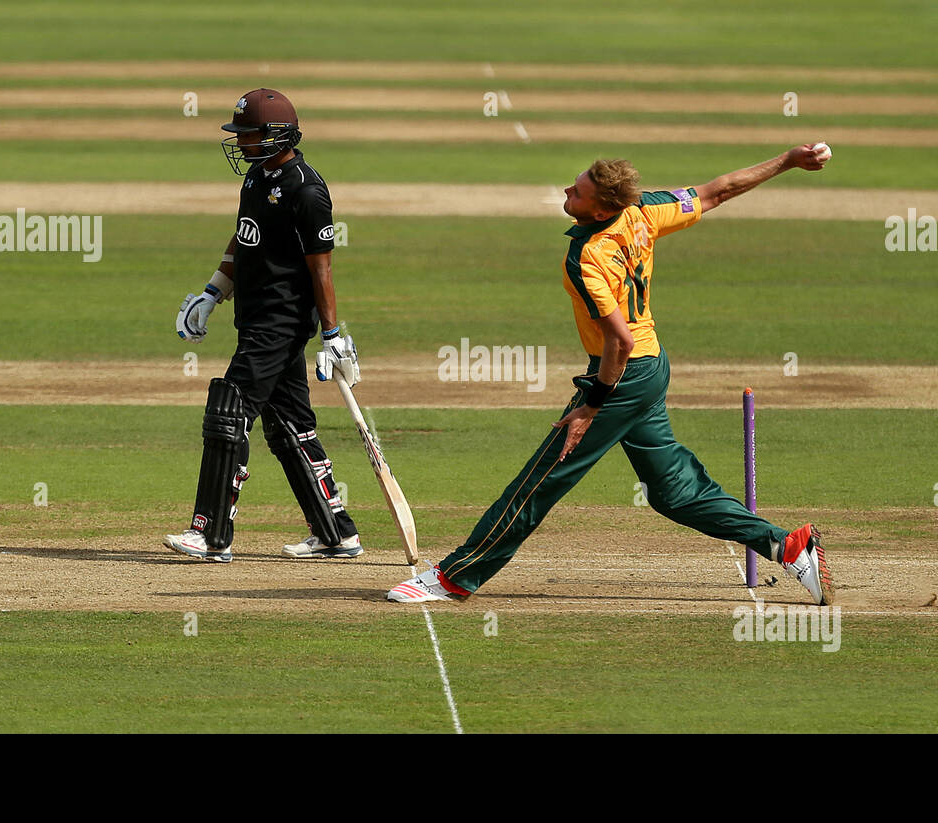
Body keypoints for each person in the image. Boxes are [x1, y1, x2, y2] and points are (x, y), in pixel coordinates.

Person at [386, 145, 835, 603]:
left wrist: (589, 406)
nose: (566, 191)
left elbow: (617, 342)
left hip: (621, 374)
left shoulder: (587, 256)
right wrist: (787, 161)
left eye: (577, 192)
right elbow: (718, 192)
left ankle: (453, 576)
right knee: (673, 492)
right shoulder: (644, 211)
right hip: (651, 365)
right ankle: (789, 547)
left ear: (601, 208)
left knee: (540, 481)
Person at [163, 89, 365, 563]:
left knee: (229, 409)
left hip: (280, 322)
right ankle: (335, 532)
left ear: (276, 135)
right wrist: (213, 291)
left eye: (249, 134)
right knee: (289, 425)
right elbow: (244, 236)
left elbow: (323, 269)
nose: (241, 143)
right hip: (253, 317)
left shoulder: (307, 190)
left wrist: (332, 335)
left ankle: (211, 534)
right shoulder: (257, 178)